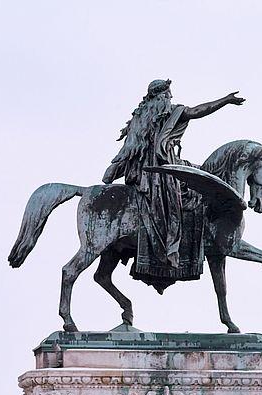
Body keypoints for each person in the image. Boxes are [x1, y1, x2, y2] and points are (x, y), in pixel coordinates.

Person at [103, 79, 244, 288]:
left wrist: (113, 171)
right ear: (160, 97)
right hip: (160, 173)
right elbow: (196, 111)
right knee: (182, 199)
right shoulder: (170, 113)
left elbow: (127, 152)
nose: (170, 99)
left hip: (147, 171)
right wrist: (225, 100)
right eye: (168, 95)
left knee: (199, 172)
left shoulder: (140, 120)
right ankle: (173, 248)